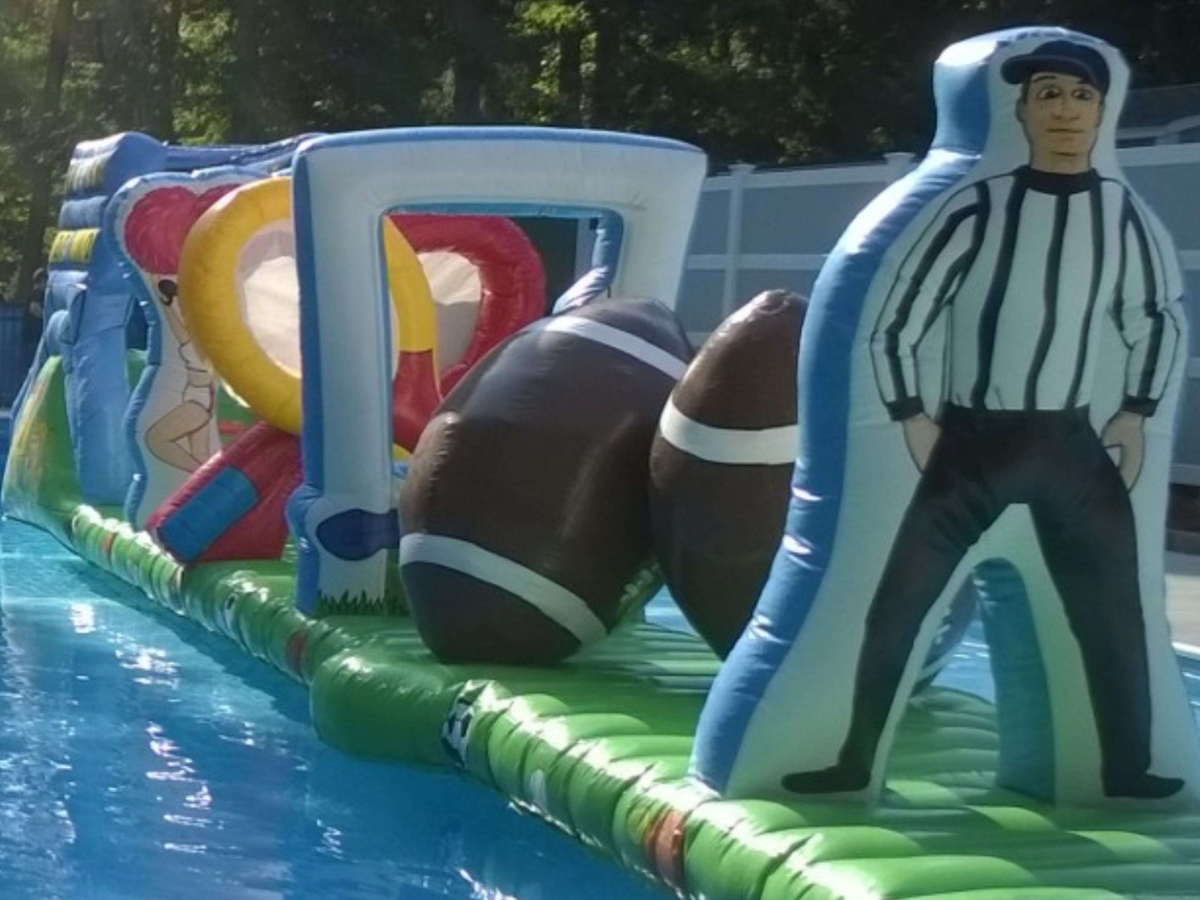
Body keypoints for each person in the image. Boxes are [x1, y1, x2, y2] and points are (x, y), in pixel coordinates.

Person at [782, 40, 1186, 800]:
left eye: (1082, 96)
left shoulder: (1123, 214)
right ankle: (855, 758)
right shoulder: (976, 205)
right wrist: (909, 413)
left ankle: (1128, 766)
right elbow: (900, 315)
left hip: (1071, 438)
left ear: (1103, 109)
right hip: (973, 438)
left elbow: (1155, 315)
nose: (1067, 110)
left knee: (1114, 608)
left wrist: (1134, 410)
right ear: (1020, 110)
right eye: (1048, 94)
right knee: (897, 600)